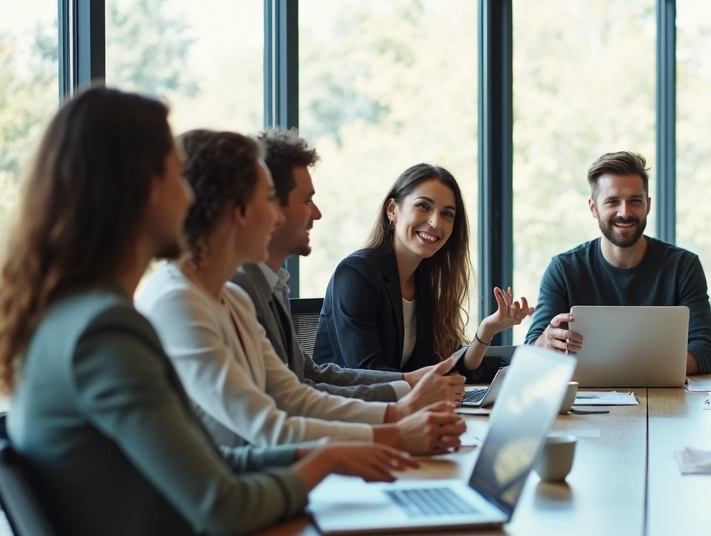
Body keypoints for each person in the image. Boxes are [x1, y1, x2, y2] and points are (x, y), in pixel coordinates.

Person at [0, 85, 486, 536]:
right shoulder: (104, 332)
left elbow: (214, 463)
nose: (189, 199)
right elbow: (220, 503)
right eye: (173, 174)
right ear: (135, 189)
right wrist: (331, 457)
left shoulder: (86, 315)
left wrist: (345, 447)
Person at [137, 130, 466, 455]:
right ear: (238, 210)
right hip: (237, 487)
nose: (278, 215)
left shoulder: (233, 298)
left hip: (258, 477)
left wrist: (399, 410)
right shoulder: (180, 300)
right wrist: (395, 430)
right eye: (268, 200)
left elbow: (293, 394)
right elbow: (268, 426)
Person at [230, 128, 445, 402]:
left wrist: (406, 383)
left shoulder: (274, 284)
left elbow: (305, 375)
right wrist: (396, 418)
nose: (317, 214)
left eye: (447, 214)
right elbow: (287, 403)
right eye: (307, 200)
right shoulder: (238, 290)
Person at [312, 164, 530, 382]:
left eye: (447, 214)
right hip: (347, 410)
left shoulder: (426, 281)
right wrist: (432, 385)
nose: (436, 222)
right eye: (423, 206)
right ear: (392, 210)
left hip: (401, 409)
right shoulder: (356, 274)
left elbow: (451, 367)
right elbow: (366, 372)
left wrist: (487, 330)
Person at [526, 151, 711, 376]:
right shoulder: (563, 270)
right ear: (593, 208)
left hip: (668, 403)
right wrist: (546, 344)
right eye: (612, 201)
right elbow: (531, 352)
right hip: (584, 406)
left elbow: (706, 352)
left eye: (634, 201)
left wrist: (630, 369)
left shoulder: (684, 266)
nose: (624, 212)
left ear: (648, 205)